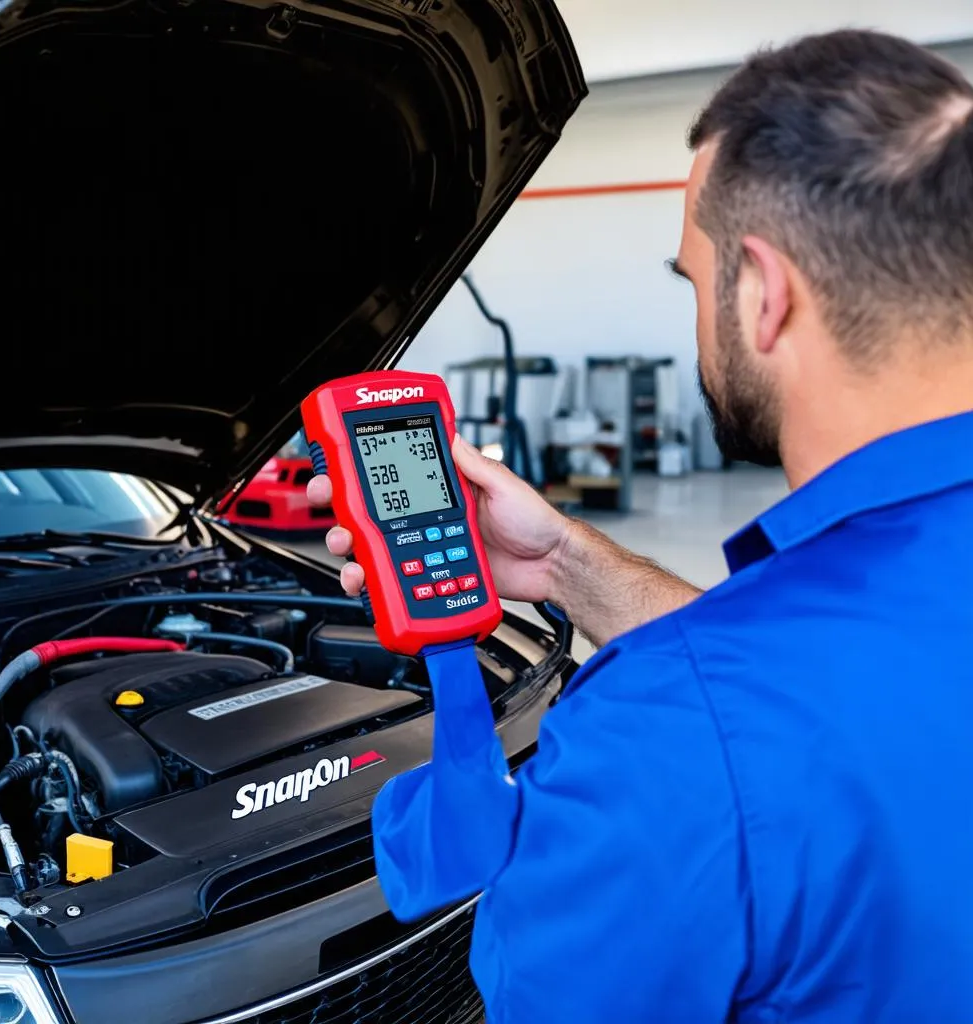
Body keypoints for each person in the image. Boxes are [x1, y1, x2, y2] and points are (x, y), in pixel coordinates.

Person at [307, 29, 973, 1023]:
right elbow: (821, 681)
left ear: (761, 293)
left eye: (692, 281)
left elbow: (733, 714)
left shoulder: (661, 740)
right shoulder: (752, 691)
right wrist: (570, 562)